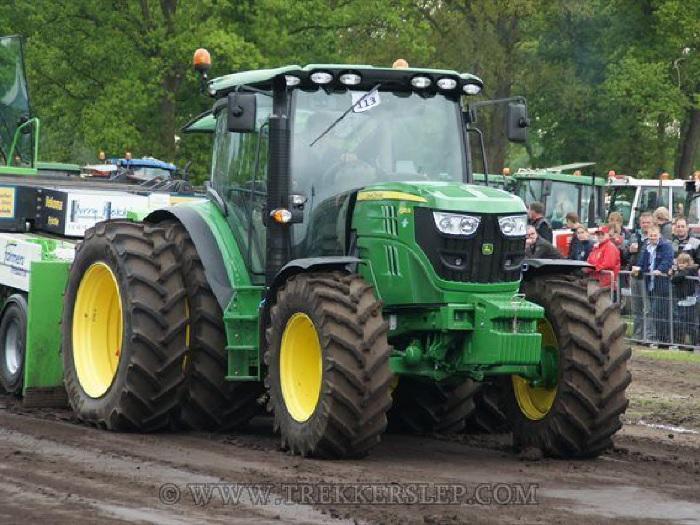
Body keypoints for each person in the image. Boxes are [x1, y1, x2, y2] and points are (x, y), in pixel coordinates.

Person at [634, 225, 674, 344]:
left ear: (659, 235)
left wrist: (660, 269)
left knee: (659, 311)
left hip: (661, 283)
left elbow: (668, 260)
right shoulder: (647, 247)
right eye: (650, 236)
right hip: (649, 283)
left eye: (655, 235)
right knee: (650, 310)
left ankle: (662, 339)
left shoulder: (666, 246)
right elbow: (642, 262)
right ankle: (652, 337)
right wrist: (638, 269)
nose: (653, 238)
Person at [625, 212, 654, 340]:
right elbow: (626, 255)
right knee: (636, 308)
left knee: (647, 308)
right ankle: (637, 335)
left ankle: (647, 336)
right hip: (634, 273)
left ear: (652, 223)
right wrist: (628, 250)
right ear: (640, 224)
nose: (645, 225)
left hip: (646, 275)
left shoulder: (654, 237)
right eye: (643, 222)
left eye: (648, 222)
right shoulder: (634, 236)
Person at [670, 253, 699, 346]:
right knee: (681, 322)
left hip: (689, 300)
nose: (681, 265)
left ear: (688, 263)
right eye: (679, 263)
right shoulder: (681, 271)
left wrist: (673, 275)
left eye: (684, 263)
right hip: (681, 300)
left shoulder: (690, 270)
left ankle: (694, 343)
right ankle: (683, 343)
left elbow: (676, 279)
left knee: (690, 323)